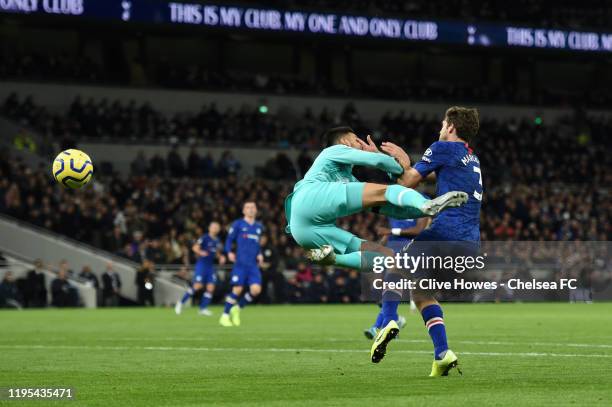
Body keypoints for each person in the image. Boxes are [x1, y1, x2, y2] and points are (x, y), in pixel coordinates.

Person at [371, 106, 483, 377]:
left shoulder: (442, 148)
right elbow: (426, 176)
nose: (440, 129)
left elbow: (408, 181)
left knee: (396, 266)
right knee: (421, 294)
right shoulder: (471, 158)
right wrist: (406, 163)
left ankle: (386, 321)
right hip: (469, 245)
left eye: (443, 124)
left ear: (452, 128)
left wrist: (382, 160)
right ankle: (442, 354)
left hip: (444, 234)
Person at [284, 126, 467, 274]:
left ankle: (333, 259)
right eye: (357, 139)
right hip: (309, 196)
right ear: (345, 141)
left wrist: (420, 210)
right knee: (388, 190)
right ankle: (427, 204)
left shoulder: (349, 181)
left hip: (303, 231)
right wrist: (402, 167)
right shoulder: (332, 151)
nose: (361, 144)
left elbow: (388, 208)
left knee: (385, 257)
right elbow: (378, 162)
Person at [363, 213, 431, 340]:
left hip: (408, 253)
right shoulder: (394, 205)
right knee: (381, 294)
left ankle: (377, 327)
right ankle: (396, 320)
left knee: (389, 293)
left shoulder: (421, 202)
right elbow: (388, 233)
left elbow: (418, 230)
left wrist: (390, 231)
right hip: (390, 253)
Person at [219, 202, 264, 327]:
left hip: (253, 265)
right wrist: (228, 253)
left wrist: (259, 254)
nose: (250, 209)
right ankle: (225, 316)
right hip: (241, 263)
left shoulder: (259, 227)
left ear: (256, 210)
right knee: (237, 289)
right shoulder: (238, 224)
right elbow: (229, 239)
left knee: (256, 290)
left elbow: (257, 244)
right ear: (243, 211)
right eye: (248, 207)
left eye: (253, 207)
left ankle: (237, 308)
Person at [175, 222, 225, 316]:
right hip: (202, 265)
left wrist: (221, 257)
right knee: (197, 286)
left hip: (210, 266)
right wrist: (201, 252)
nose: (215, 229)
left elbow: (217, 252)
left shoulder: (217, 240)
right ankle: (180, 303)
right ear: (210, 228)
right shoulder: (205, 237)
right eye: (213, 227)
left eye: (217, 227)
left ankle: (203, 308)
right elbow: (194, 247)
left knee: (211, 287)